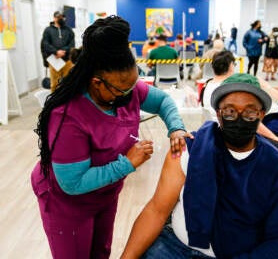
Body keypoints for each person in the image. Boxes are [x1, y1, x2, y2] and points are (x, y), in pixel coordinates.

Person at [31, 15, 192, 259]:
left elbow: (163, 101)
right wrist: (127, 163)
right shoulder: (67, 116)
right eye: (122, 89)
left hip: (104, 193)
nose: (131, 94)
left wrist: (176, 128)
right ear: (96, 82)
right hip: (67, 202)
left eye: (133, 84)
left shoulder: (124, 88)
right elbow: (73, 183)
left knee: (101, 252)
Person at [120, 73, 278, 259]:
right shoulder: (189, 149)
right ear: (218, 113)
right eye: (230, 111)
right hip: (176, 247)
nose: (239, 118)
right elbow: (157, 211)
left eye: (249, 112)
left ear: (261, 115)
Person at [201, 51, 278, 151]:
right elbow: (251, 122)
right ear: (231, 66)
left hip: (215, 134)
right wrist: (275, 138)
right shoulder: (232, 91)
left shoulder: (206, 85)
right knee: (277, 146)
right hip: (232, 136)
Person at [41, 11, 75, 92]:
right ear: (54, 18)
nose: (61, 19)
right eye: (59, 17)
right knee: (54, 84)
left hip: (67, 60)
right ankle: (55, 103)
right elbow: (45, 44)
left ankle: (68, 102)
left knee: (69, 83)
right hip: (54, 60)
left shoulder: (69, 30)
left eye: (62, 17)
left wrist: (63, 51)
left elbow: (72, 44)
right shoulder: (48, 30)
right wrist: (56, 52)